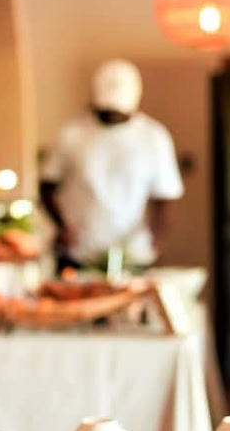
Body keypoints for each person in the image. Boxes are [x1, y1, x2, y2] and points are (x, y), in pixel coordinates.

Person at [39, 58, 184, 274]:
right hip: (80, 252)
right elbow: (47, 184)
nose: (112, 118)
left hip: (133, 254)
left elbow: (166, 195)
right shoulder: (72, 134)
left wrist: (157, 238)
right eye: (106, 113)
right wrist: (62, 226)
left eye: (118, 114)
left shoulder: (153, 137)